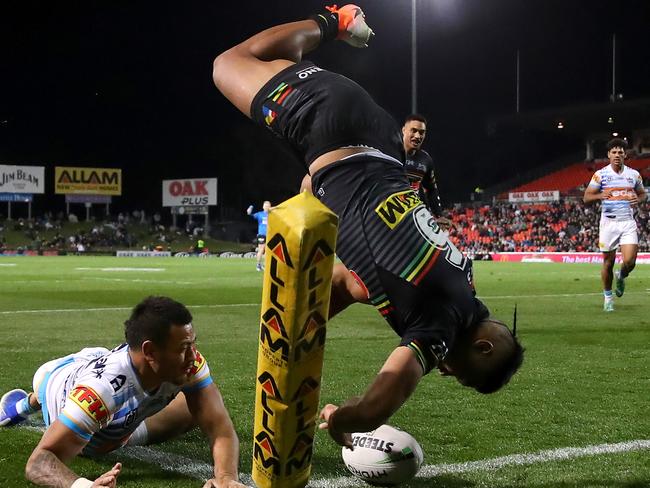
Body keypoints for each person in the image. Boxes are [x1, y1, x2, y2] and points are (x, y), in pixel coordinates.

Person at [213, 4, 524, 448]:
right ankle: (335, 21)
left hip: (372, 140)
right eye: (463, 376)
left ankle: (331, 30)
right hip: (336, 131)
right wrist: (346, 420)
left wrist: (294, 338)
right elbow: (385, 398)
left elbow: (353, 285)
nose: (447, 372)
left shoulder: (460, 281)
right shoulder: (443, 323)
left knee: (287, 76)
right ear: (483, 348)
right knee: (229, 64)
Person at [0, 296, 247, 488]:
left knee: (200, 410)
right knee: (43, 381)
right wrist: (84, 485)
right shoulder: (97, 395)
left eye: (193, 344)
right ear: (150, 352)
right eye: (184, 347)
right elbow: (38, 461)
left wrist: (225, 477)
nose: (194, 356)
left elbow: (219, 426)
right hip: (59, 380)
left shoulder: (187, 364)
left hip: (113, 389)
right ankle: (27, 403)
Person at [583, 138, 646, 312]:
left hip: (627, 222)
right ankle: (608, 298)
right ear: (608, 155)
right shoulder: (600, 175)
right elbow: (586, 197)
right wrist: (600, 195)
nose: (617, 155)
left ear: (625, 155)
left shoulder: (633, 174)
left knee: (629, 261)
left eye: (620, 152)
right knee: (608, 263)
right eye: (614, 152)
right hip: (608, 223)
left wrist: (638, 199)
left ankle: (622, 275)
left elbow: (642, 194)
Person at [246, 201, 270, 271]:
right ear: (263, 207)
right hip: (262, 234)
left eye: (268, 206)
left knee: (267, 251)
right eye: (265, 206)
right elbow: (249, 213)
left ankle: (265, 265)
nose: (267, 207)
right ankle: (258, 265)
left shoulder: (272, 214)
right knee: (261, 250)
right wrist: (250, 208)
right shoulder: (260, 214)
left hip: (270, 234)